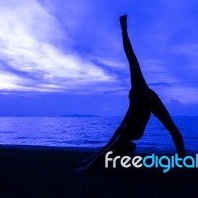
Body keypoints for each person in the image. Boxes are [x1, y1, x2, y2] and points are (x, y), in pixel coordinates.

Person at [79, 15, 186, 170]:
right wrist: (88, 161)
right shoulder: (133, 102)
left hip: (142, 112)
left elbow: (131, 56)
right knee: (114, 141)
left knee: (171, 128)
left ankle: (183, 161)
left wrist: (124, 30)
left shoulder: (140, 89)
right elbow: (114, 137)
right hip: (132, 129)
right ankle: (101, 159)